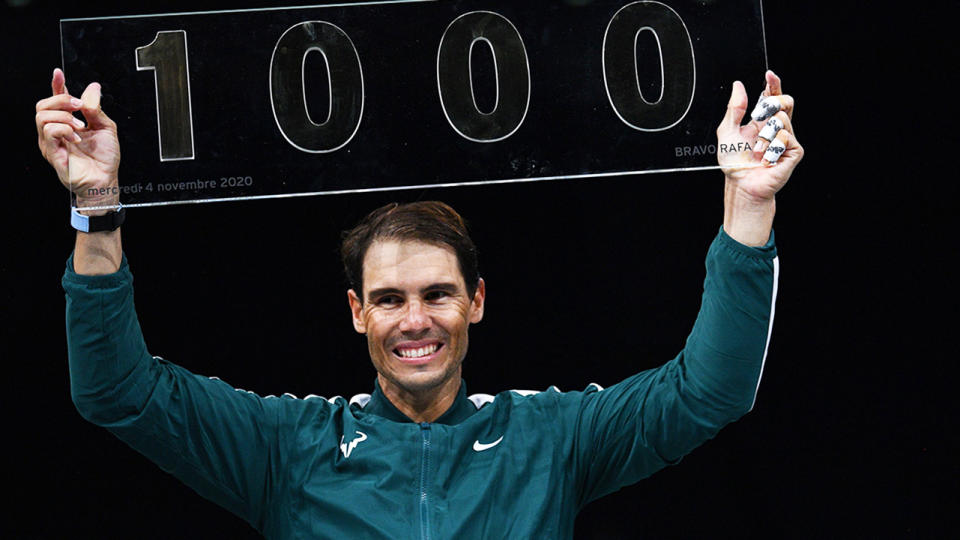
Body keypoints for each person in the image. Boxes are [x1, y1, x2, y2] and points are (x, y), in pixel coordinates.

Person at [37, 66, 802, 538]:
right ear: (356, 312)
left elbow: (710, 393)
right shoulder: (285, 448)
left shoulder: (550, 438)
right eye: (389, 299)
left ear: (475, 302)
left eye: (437, 294)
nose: (414, 321)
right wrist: (97, 200)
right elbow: (116, 393)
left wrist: (749, 210)